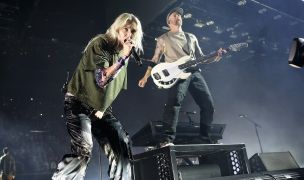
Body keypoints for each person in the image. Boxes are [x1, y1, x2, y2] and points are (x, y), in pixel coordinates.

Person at [52, 13, 143, 180]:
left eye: (133, 31)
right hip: (78, 102)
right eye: (126, 29)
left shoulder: (124, 55)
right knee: (84, 150)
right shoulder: (100, 43)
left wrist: (102, 108)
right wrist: (122, 58)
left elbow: (114, 89)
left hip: (100, 108)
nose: (129, 34)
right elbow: (101, 80)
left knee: (122, 145)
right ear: (117, 28)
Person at [138, 7, 224, 147]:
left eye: (180, 15)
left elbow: (201, 58)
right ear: (169, 20)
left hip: (194, 72)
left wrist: (215, 56)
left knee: (208, 105)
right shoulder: (163, 39)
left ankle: (204, 137)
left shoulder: (191, 37)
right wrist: (146, 77)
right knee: (174, 103)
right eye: (175, 15)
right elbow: (155, 59)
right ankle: (167, 139)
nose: (178, 17)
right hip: (177, 74)